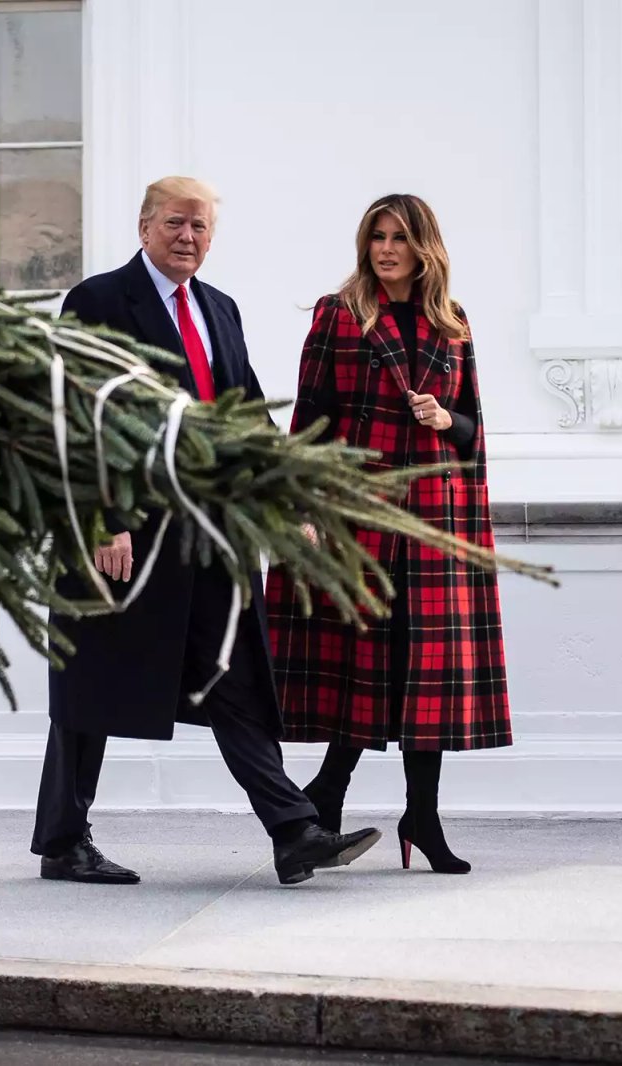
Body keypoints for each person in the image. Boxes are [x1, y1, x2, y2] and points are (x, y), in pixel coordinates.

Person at [32, 176, 382, 887]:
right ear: (144, 226)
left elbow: (247, 416)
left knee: (239, 679)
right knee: (91, 687)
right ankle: (65, 840)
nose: (188, 237)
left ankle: (294, 834)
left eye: (200, 227)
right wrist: (103, 517)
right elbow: (75, 415)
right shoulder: (97, 301)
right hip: (127, 532)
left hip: (212, 535)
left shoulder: (220, 309)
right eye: (175, 223)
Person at [265, 193, 509, 875]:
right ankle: (329, 795)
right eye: (377, 237)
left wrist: (444, 422)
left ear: (424, 245)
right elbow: (310, 421)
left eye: (400, 237)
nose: (386, 249)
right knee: (363, 656)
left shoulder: (453, 323)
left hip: (434, 514)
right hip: (358, 508)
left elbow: (471, 429)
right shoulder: (339, 315)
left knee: (422, 664)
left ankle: (419, 815)